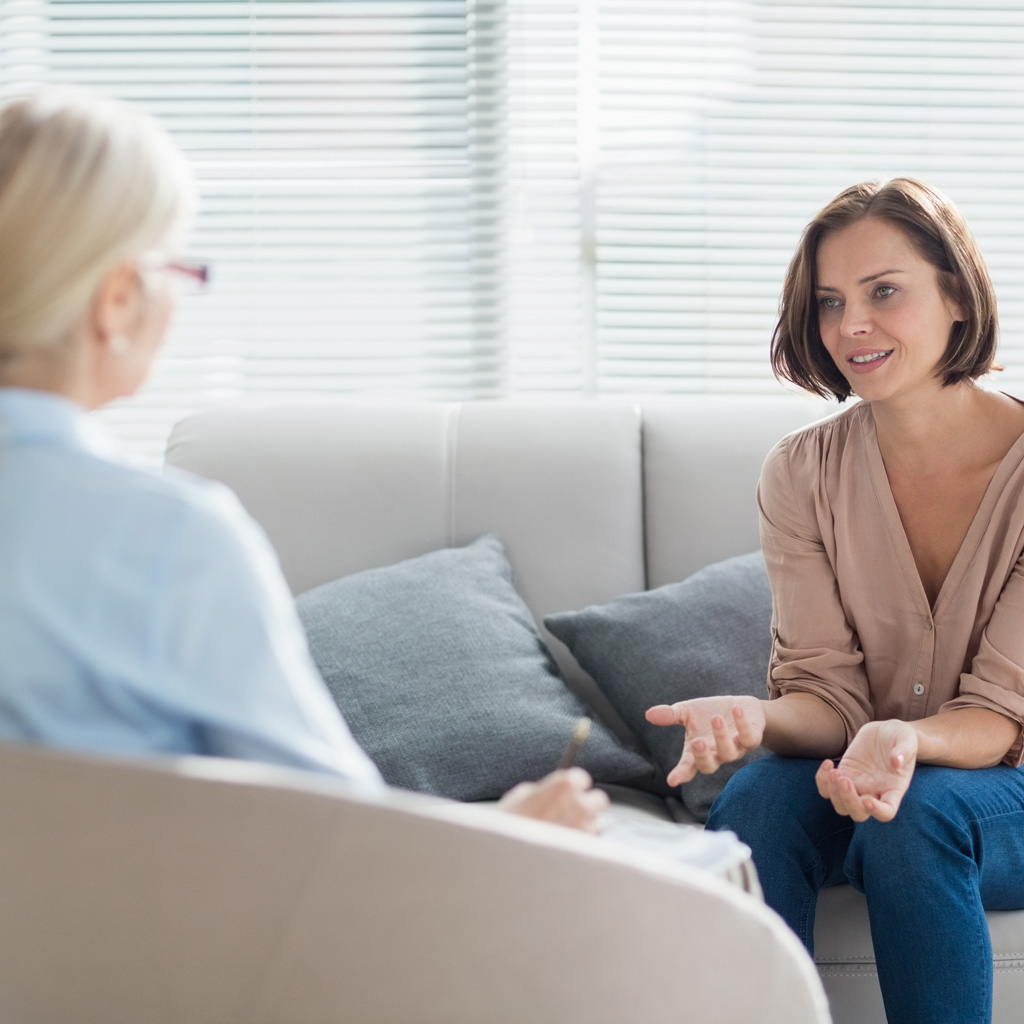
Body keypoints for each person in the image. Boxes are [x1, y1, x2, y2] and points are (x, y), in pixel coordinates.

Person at [0, 87, 606, 834]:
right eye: (178, 270)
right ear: (119, 298)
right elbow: (330, 851)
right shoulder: (165, 542)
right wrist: (515, 832)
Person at [646, 177, 1024, 1024]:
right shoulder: (801, 473)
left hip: (1004, 793)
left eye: (883, 292)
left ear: (957, 296)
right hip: (864, 772)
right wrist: (758, 716)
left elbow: (1001, 718)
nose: (851, 326)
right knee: (756, 800)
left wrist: (903, 741)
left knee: (916, 811)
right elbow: (828, 698)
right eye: (829, 302)